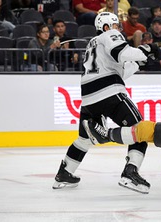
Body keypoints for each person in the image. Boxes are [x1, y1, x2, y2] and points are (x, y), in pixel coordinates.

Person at [53, 12, 151, 194]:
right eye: (115, 25)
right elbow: (122, 53)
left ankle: (65, 173)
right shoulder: (109, 35)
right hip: (109, 91)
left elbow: (118, 70)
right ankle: (130, 172)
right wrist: (143, 51)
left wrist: (138, 63)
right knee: (141, 130)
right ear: (106, 27)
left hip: (89, 97)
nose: (118, 29)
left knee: (83, 139)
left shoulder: (93, 44)